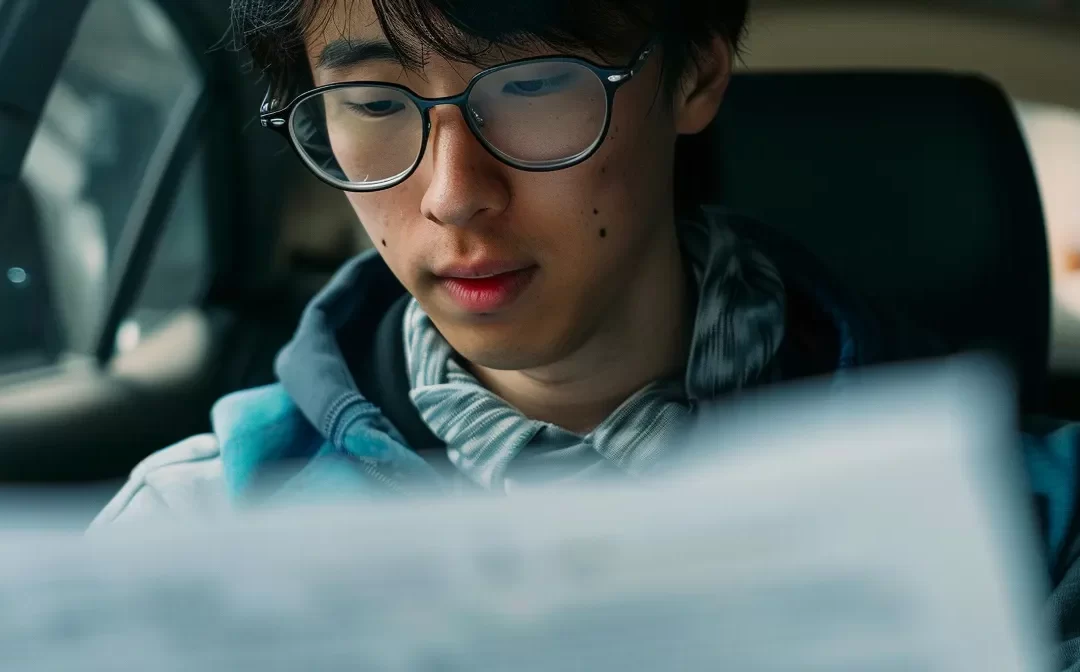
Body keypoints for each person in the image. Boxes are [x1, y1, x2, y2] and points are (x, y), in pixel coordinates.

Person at [92, 0, 1080, 666]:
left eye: (530, 87)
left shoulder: (1033, 527)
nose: (454, 195)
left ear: (695, 74)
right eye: (375, 103)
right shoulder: (193, 537)